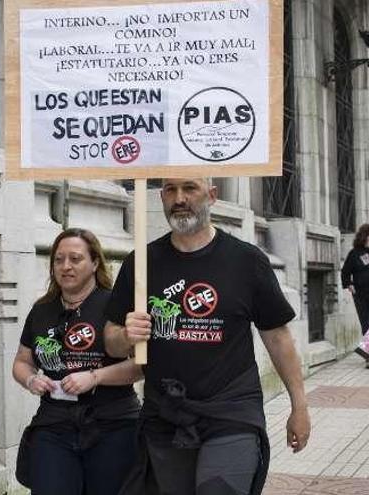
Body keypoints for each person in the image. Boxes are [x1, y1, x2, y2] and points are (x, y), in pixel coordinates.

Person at [103, 178, 310, 495]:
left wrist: (300, 406)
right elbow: (110, 341)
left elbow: (278, 338)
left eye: (190, 189)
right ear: (161, 197)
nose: (180, 198)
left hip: (231, 411)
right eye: (170, 190)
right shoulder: (141, 263)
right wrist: (127, 335)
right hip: (165, 416)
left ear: (212, 196)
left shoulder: (246, 260)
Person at [13, 228, 142, 495]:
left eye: (75, 259)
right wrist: (31, 379)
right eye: (58, 260)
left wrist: (94, 377)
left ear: (95, 263)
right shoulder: (41, 310)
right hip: (54, 423)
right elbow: (22, 361)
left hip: (112, 423)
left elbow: (140, 367)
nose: (65, 266)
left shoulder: (115, 304)